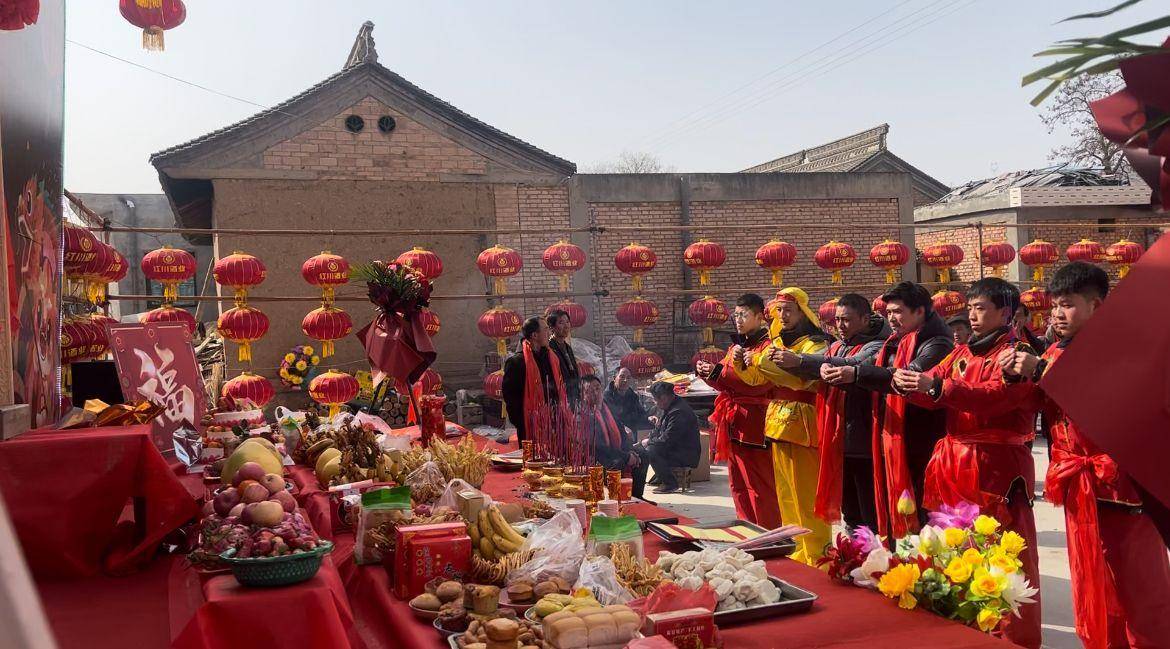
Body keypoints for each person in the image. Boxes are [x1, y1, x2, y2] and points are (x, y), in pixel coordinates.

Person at [999, 262, 1170, 649]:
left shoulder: (1124, 347)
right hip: (1080, 487)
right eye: (1055, 304)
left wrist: (1041, 368)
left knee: (1142, 595)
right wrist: (1017, 376)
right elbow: (1042, 400)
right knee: (1094, 585)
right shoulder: (1058, 348)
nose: (1058, 313)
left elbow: (1111, 399)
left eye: (1069, 304)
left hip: (1125, 490)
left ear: (1097, 305)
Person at [893, 277, 1042, 649]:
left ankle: (1013, 636)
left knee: (1005, 550)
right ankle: (965, 626)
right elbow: (934, 387)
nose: (972, 316)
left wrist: (937, 388)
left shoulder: (1017, 354)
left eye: (981, 309)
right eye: (970, 308)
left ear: (1005, 313)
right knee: (955, 547)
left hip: (997, 465)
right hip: (954, 460)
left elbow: (995, 398)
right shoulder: (962, 353)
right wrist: (909, 384)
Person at [771, 293, 890, 533]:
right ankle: (855, 560)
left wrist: (800, 360)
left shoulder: (878, 345)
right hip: (838, 439)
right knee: (850, 512)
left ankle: (880, 562)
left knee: (871, 513)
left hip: (865, 442)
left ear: (865, 319)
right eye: (837, 320)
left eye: (846, 320)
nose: (840, 326)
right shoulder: (838, 344)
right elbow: (823, 365)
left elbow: (852, 363)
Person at [731, 287, 830, 565]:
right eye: (779, 310)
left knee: (807, 495)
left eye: (788, 310)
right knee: (786, 495)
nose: (783, 316)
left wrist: (761, 360)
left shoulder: (814, 344)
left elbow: (800, 380)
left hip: (802, 422)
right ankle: (797, 549)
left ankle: (818, 553)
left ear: (802, 312)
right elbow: (757, 381)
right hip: (778, 422)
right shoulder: (781, 345)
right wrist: (743, 364)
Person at [851, 281, 953, 539]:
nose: (892, 318)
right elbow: (866, 367)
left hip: (922, 436)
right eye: (888, 313)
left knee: (920, 507)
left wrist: (855, 373)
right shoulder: (892, 343)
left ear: (920, 311)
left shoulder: (937, 342)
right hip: (893, 433)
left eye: (898, 312)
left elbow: (905, 375)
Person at [696, 293, 782, 528]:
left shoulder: (768, 346)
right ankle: (746, 529)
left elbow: (756, 384)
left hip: (757, 421)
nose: (738, 320)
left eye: (743, 315)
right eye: (736, 315)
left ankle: (768, 532)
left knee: (760, 484)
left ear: (759, 316)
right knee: (738, 482)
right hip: (735, 421)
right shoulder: (737, 345)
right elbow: (725, 380)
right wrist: (709, 373)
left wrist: (718, 373)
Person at [580, 375, 649, 499]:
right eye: (591, 390)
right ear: (584, 393)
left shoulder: (607, 408)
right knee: (618, 462)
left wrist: (629, 451)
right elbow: (599, 447)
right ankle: (615, 496)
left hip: (615, 452)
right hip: (598, 457)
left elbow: (621, 431)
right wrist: (626, 456)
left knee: (642, 454)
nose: (596, 393)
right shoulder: (584, 415)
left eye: (598, 389)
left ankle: (637, 496)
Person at [501, 317, 567, 445]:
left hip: (555, 422)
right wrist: (523, 423)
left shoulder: (551, 358)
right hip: (530, 426)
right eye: (546, 329)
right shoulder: (516, 362)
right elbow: (511, 399)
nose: (549, 333)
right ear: (535, 335)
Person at [638, 381, 702, 494]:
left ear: (664, 397)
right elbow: (658, 429)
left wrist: (649, 442)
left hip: (686, 453)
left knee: (651, 450)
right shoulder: (669, 406)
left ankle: (670, 483)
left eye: (656, 400)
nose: (655, 403)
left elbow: (667, 439)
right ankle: (661, 476)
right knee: (647, 447)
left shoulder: (678, 412)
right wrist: (647, 439)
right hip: (676, 448)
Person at [547, 310, 581, 407]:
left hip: (572, 396)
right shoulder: (549, 349)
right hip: (558, 399)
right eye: (561, 322)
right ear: (552, 327)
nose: (566, 326)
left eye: (567, 322)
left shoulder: (567, 347)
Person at [604, 367, 651, 437]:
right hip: (614, 432)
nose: (625, 380)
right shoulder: (607, 396)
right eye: (622, 377)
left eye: (628, 378)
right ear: (614, 378)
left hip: (633, 431)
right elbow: (609, 419)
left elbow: (641, 412)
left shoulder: (632, 395)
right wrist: (622, 428)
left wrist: (649, 417)